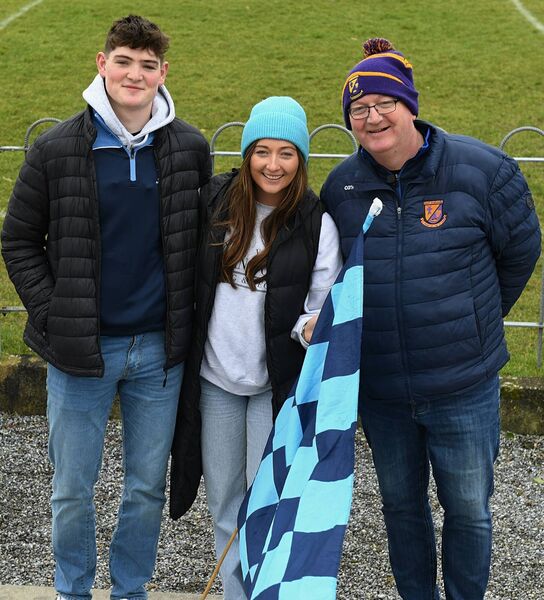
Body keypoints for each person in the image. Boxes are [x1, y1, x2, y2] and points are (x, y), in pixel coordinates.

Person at [320, 38, 541, 600]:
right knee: (400, 506)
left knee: (468, 509)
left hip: (462, 384)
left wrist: (474, 318)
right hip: (383, 387)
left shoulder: (483, 169)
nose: (372, 118)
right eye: (358, 110)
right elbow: (332, 275)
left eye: (383, 103)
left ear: (409, 105)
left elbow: (520, 252)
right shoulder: (341, 187)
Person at [1, 15, 211, 600]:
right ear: (102, 64)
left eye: (148, 65)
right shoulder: (56, 148)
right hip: (80, 352)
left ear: (163, 74)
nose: (134, 74)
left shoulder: (189, 147)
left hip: (158, 354)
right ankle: (72, 589)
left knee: (145, 486)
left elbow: (199, 241)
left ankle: (129, 590)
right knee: (71, 487)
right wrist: (51, 310)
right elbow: (18, 240)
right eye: (124, 61)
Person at [169, 96, 343, 599]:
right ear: (246, 154)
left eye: (286, 153)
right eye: (262, 151)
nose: (273, 164)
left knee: (266, 499)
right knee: (225, 501)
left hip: (274, 387)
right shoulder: (216, 203)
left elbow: (320, 299)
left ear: (301, 160)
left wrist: (310, 327)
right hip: (217, 382)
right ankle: (234, 593)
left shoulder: (315, 221)